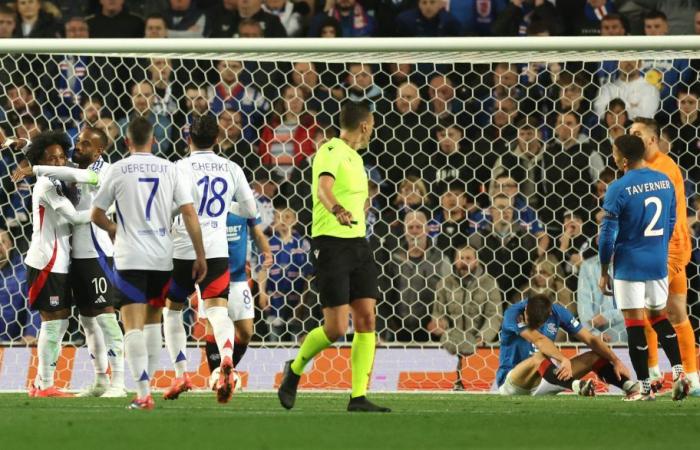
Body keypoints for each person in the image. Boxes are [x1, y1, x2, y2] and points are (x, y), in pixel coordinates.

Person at [277, 101, 390, 412]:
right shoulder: (330, 150)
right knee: (337, 328)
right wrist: (337, 208)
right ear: (365, 125)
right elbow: (323, 189)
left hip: (358, 244)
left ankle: (358, 397)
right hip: (331, 245)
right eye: (372, 125)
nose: (372, 131)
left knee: (367, 318)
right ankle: (295, 368)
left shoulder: (356, 159)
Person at [91, 116, 207, 410]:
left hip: (130, 258)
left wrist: (114, 230)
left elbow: (96, 214)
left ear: (127, 141)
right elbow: (190, 214)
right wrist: (200, 254)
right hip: (161, 257)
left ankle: (143, 393)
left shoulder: (117, 170)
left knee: (132, 325)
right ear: (154, 141)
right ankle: (150, 384)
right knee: (154, 321)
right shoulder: (170, 169)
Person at [14, 127, 127, 398]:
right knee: (77, 323)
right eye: (76, 143)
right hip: (60, 260)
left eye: (84, 144)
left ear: (99, 150)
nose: (75, 149)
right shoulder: (58, 176)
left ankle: (118, 383)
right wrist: (26, 147)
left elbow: (66, 168)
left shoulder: (104, 170)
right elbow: (54, 156)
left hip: (96, 254)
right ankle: (81, 381)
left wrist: (38, 167)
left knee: (105, 318)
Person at [161, 114, 258, 403]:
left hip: (183, 250)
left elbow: (168, 210)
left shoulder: (177, 168)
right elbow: (251, 210)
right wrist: (221, 208)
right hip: (216, 251)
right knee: (217, 311)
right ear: (217, 139)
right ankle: (226, 359)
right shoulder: (230, 168)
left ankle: (181, 374)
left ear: (187, 137)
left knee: (173, 310)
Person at [598, 134, 689, 401]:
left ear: (623, 160)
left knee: (635, 323)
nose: (613, 157)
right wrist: (657, 248)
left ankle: (645, 388)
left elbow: (606, 236)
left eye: (614, 153)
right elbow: (672, 218)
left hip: (630, 263)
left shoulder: (618, 187)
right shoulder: (664, 180)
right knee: (659, 316)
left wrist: (604, 269)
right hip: (657, 260)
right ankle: (680, 373)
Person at [629, 118, 699, 395]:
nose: (632, 136)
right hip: (671, 245)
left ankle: (654, 371)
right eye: (629, 132)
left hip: (664, 248)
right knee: (676, 311)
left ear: (652, 139)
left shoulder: (660, 169)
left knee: (647, 308)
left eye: (637, 133)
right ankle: (691, 375)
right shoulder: (655, 166)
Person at [23, 131, 93, 397]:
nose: (59, 161)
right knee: (52, 322)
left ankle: (42, 382)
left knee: (60, 322)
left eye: (62, 156)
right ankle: (44, 384)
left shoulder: (62, 182)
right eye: (52, 158)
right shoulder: (46, 185)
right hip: (46, 262)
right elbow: (74, 218)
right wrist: (106, 212)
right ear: (41, 162)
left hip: (59, 262)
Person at [497, 293, 636, 398]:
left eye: (536, 324)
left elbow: (590, 339)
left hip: (546, 379)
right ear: (526, 309)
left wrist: (616, 360)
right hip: (513, 384)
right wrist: (563, 359)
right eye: (528, 321)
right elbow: (539, 339)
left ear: (549, 315)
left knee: (594, 355)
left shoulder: (557, 312)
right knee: (538, 357)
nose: (531, 326)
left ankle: (628, 386)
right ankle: (576, 386)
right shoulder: (513, 313)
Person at [202, 205, 273, 379]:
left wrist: (267, 251)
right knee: (214, 324)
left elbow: (257, 232)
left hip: (239, 278)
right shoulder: (209, 202)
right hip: (212, 275)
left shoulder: (243, 203)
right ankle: (217, 376)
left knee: (246, 332)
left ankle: (226, 371)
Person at [428, 245, 502, 390]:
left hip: (479, 347)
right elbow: (438, 312)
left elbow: (494, 315)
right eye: (460, 258)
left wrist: (483, 337)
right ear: (454, 261)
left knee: (478, 389)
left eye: (468, 258)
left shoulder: (489, 283)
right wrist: (439, 325)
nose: (464, 261)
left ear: (477, 261)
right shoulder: (444, 283)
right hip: (451, 345)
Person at [0, 229, 39, 343]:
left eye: (3, 242)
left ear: (11, 244)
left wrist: (32, 333)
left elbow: (35, 305)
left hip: (14, 344)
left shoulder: (24, 270)